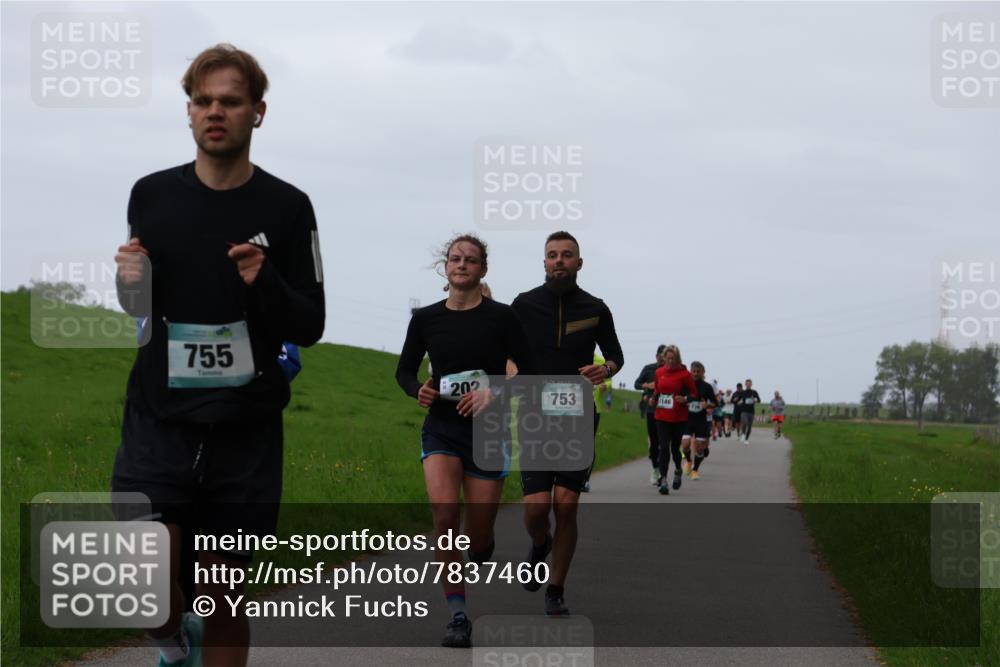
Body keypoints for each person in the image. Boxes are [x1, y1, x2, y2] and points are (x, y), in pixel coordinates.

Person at [112, 44, 325, 667]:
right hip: (159, 418)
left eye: (230, 101)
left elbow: (310, 323)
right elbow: (138, 308)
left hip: (245, 428)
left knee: (223, 598)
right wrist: (131, 281)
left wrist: (266, 281)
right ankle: (174, 647)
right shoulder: (150, 195)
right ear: (188, 111)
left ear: (257, 112)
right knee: (143, 585)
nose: (215, 112)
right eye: (203, 101)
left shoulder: (289, 207)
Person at [396, 234, 534, 648]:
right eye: (455, 259)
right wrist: (416, 389)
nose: (462, 265)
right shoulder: (425, 319)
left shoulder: (503, 317)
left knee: (476, 535)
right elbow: (404, 371)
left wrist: (495, 390)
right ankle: (458, 615)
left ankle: (484, 542)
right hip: (441, 428)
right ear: (446, 267)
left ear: (482, 269)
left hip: (488, 432)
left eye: (470, 260)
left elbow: (528, 369)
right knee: (443, 515)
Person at [511, 231, 624, 617]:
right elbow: (504, 351)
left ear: (579, 262)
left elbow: (616, 356)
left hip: (576, 416)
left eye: (567, 255)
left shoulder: (596, 308)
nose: (559, 260)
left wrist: (605, 368)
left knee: (567, 504)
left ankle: (555, 588)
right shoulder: (523, 305)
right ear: (544, 262)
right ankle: (539, 544)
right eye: (552, 255)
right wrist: (510, 370)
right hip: (533, 415)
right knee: (538, 510)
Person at [653, 345, 698, 494]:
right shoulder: (659, 372)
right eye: (668, 358)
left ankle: (678, 469)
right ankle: (664, 480)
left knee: (674, 449)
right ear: (664, 358)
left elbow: (694, 394)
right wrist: (653, 398)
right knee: (664, 447)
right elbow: (657, 390)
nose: (670, 361)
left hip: (679, 417)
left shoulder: (684, 375)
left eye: (673, 359)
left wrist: (685, 399)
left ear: (678, 359)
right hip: (661, 416)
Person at [634, 345, 666, 485]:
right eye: (660, 355)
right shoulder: (648, 368)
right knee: (654, 443)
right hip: (652, 409)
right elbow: (636, 384)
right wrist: (647, 386)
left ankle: (663, 474)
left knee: (664, 443)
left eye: (664, 355)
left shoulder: (671, 371)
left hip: (667, 410)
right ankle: (655, 468)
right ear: (656, 356)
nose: (661, 357)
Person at [582, 352, 613, 492]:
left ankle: (585, 480)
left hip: (595, 408)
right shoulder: (574, 354)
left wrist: (605, 386)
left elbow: (609, 379)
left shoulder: (600, 360)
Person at [681, 362, 716, 480]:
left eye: (698, 371)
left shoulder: (707, 387)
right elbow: (678, 398)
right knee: (685, 445)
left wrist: (708, 405)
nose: (695, 374)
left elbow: (715, 403)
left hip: (701, 420)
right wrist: (682, 401)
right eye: (694, 371)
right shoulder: (685, 385)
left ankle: (695, 470)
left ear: (703, 373)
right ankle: (689, 461)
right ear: (691, 371)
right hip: (687, 419)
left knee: (700, 448)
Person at [738, 378, 762, 445]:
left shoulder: (754, 392)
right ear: (745, 384)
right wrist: (739, 402)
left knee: (749, 426)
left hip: (751, 411)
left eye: (749, 383)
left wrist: (755, 400)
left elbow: (759, 400)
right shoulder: (743, 392)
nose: (748, 385)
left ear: (751, 384)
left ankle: (746, 439)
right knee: (744, 422)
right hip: (744, 411)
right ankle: (743, 434)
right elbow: (738, 400)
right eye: (747, 383)